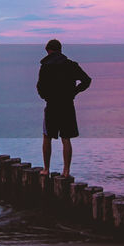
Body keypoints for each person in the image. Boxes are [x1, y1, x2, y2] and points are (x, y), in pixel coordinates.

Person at [36, 40, 91, 177]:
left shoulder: (45, 66)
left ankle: (46, 169)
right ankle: (66, 171)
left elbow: (40, 86)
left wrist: (46, 96)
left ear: (48, 50)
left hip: (52, 105)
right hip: (67, 104)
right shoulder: (71, 65)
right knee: (66, 138)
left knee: (47, 136)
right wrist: (74, 92)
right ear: (60, 49)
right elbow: (86, 80)